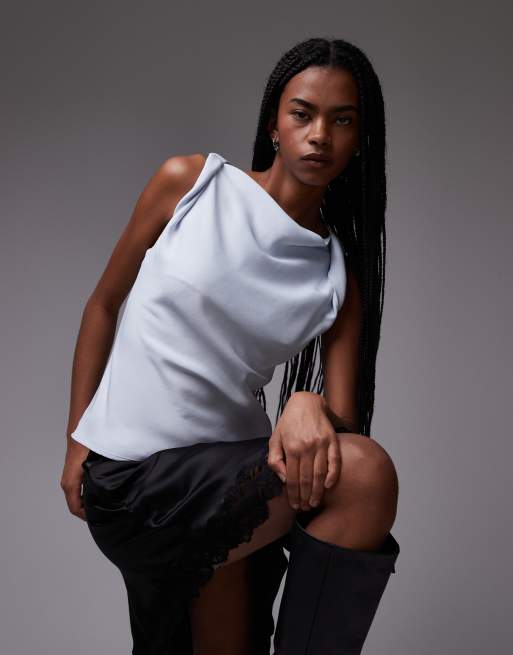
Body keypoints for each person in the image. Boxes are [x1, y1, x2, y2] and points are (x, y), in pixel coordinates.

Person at [60, 36, 400, 655]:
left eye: (342, 120)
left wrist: (306, 402)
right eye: (303, 114)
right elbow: (103, 304)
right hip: (134, 478)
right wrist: (76, 439)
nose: (319, 135)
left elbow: (343, 428)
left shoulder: (336, 279)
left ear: (359, 139)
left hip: (235, 485)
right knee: (369, 473)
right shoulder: (190, 184)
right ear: (274, 123)